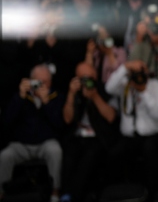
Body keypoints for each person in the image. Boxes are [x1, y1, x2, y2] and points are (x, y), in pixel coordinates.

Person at [0, 65, 64, 202]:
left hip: (45, 143)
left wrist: (47, 102)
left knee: (55, 151)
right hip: (22, 144)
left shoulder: (56, 96)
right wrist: (20, 97)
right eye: (37, 81)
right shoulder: (21, 95)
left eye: (45, 82)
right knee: (5, 155)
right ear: (30, 81)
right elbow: (7, 120)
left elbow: (60, 125)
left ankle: (55, 192)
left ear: (51, 82)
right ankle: (2, 192)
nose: (41, 85)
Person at [105, 60, 158, 196]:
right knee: (114, 154)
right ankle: (122, 194)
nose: (139, 75)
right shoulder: (125, 85)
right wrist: (125, 67)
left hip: (153, 135)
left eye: (141, 71)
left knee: (150, 150)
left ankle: (153, 194)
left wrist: (143, 92)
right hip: (130, 137)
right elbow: (108, 88)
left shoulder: (157, 86)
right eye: (135, 72)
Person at [61, 62, 118, 202]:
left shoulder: (105, 90)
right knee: (68, 156)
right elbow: (67, 119)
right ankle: (65, 195)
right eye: (82, 78)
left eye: (89, 78)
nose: (86, 82)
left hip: (98, 137)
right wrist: (71, 94)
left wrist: (95, 97)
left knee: (89, 157)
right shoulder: (75, 92)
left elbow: (111, 117)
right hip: (77, 136)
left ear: (95, 76)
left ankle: (74, 196)